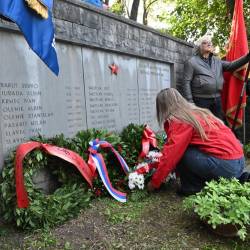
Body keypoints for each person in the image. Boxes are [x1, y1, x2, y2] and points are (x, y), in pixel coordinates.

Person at [147, 88, 246, 195]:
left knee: (182, 153)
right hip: (239, 161)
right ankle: (234, 178)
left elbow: (171, 154)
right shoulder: (197, 113)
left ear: (162, 107)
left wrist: (154, 183)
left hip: (227, 165)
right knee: (187, 149)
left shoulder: (180, 120)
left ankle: (192, 188)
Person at [179, 36, 250, 120]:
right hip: (200, 100)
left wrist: (247, 57)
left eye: (210, 42)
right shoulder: (191, 62)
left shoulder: (217, 61)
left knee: (218, 124)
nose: (209, 44)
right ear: (199, 47)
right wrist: (190, 102)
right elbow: (186, 82)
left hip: (217, 99)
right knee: (203, 125)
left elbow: (231, 65)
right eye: (205, 42)